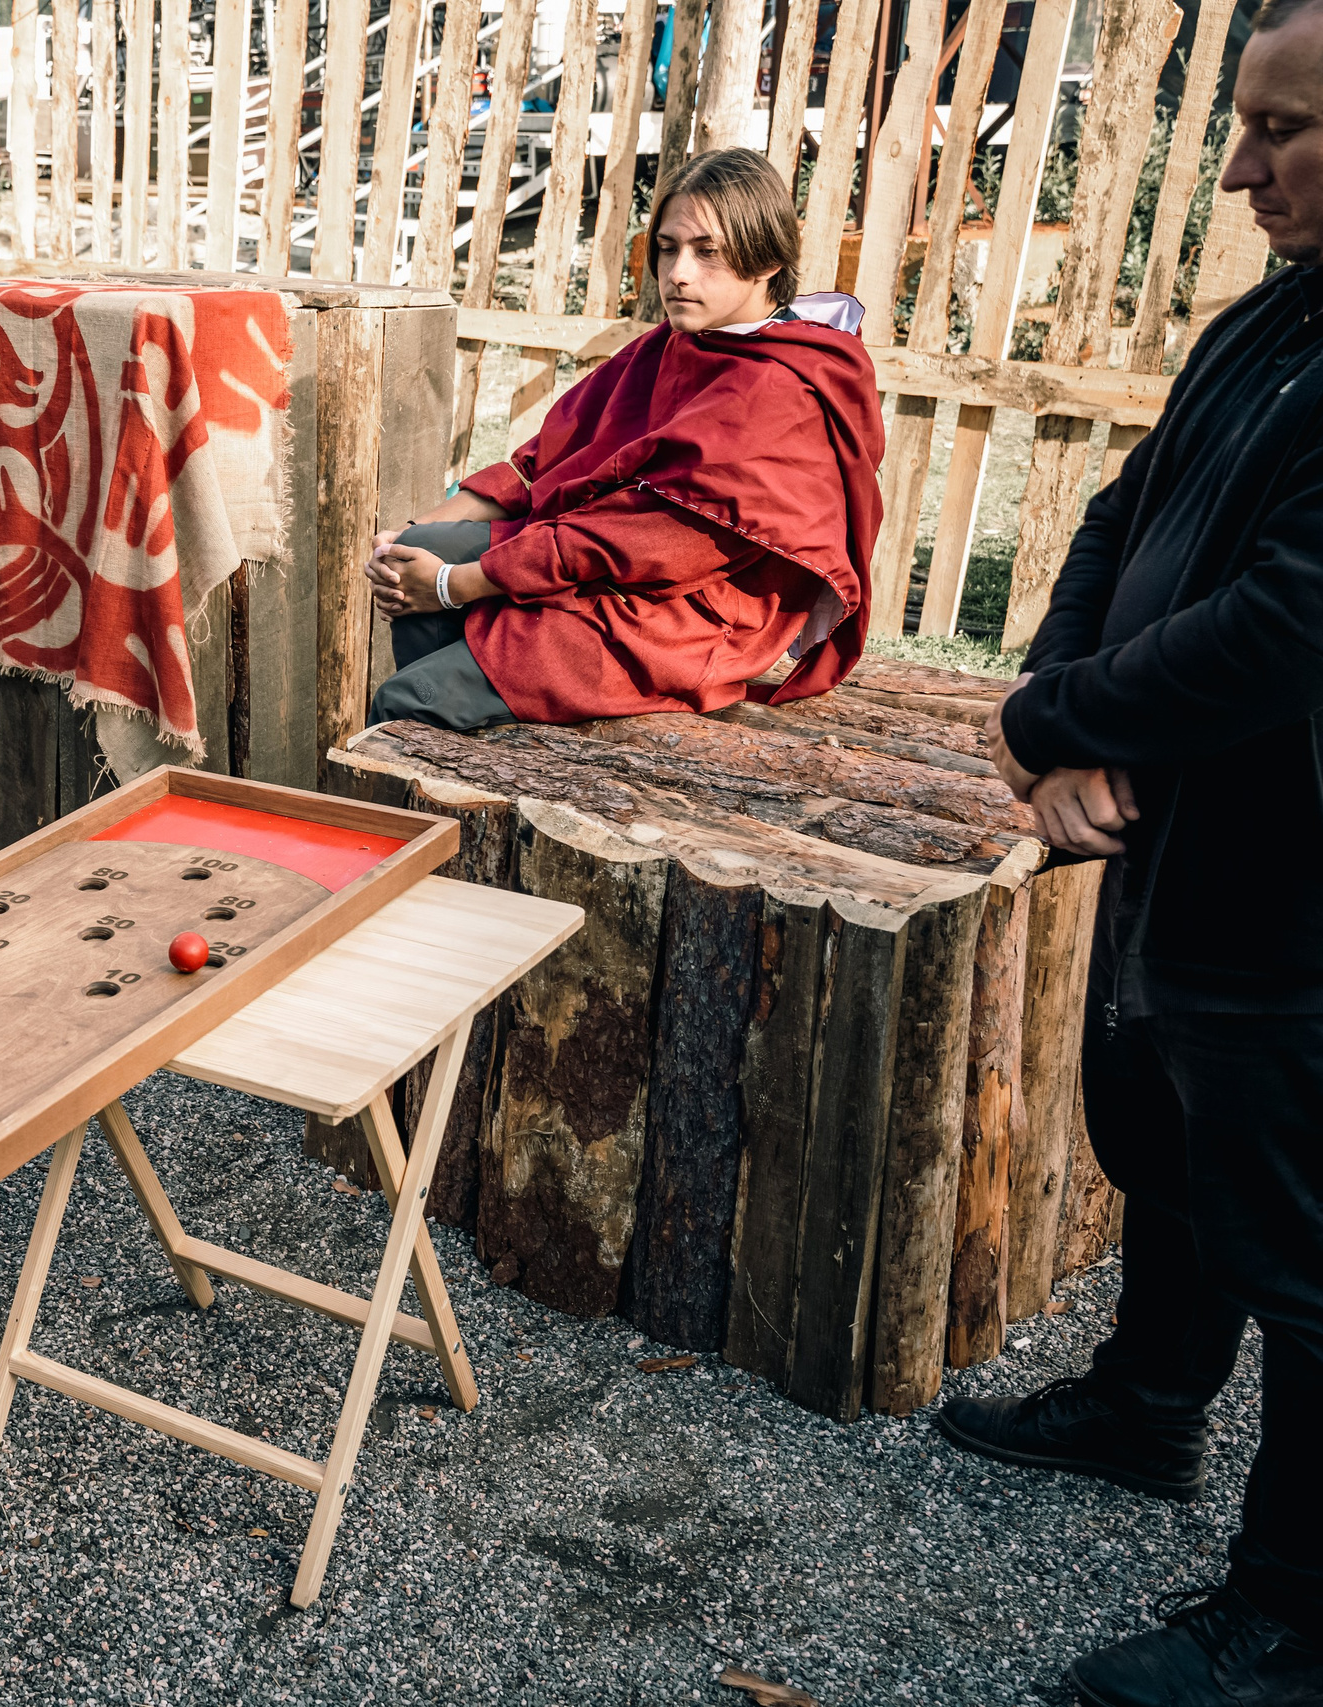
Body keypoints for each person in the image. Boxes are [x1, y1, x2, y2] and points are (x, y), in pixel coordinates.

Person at [930, 4, 1323, 1702]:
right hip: (1185, 842)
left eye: (1283, 130)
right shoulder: (1279, 315)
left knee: (1308, 1253)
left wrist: (1061, 722)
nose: (1238, 170)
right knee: (1164, 1134)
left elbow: (1291, 621)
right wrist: (1064, 702)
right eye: (1240, 125)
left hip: (1299, 888)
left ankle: (1294, 1620)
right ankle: (1154, 1407)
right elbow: (1122, 509)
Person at [362, 147, 883, 729]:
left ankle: (457, 726)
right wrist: (413, 535)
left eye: (706, 251)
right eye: (667, 248)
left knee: (404, 704)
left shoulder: (778, 392)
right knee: (428, 548)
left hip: (682, 619)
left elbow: (634, 543)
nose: (678, 273)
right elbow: (546, 458)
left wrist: (450, 584)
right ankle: (477, 712)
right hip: (612, 566)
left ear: (765, 260)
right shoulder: (681, 341)